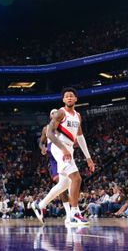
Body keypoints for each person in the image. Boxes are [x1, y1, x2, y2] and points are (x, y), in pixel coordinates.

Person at [31, 88, 94, 226]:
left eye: (71, 96)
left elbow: (80, 137)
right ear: (63, 100)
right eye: (66, 97)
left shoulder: (78, 116)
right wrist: (63, 148)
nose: (69, 98)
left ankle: (40, 205)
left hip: (68, 148)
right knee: (76, 178)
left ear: (76, 99)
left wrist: (88, 157)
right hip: (59, 148)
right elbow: (49, 133)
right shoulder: (61, 113)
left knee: (64, 183)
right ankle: (74, 213)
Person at [32, 110, 71, 222]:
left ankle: (41, 205)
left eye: (57, 112)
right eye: (53, 112)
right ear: (51, 116)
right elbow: (41, 142)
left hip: (63, 154)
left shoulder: (63, 126)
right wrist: (42, 148)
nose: (56, 113)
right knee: (61, 183)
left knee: (69, 183)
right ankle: (69, 213)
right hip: (53, 158)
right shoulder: (46, 128)